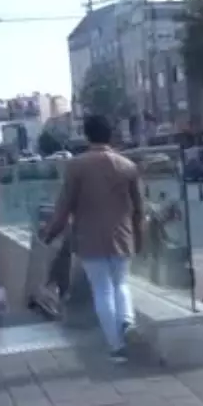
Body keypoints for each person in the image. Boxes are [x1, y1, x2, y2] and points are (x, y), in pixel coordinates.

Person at [42, 115, 144, 363]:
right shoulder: (127, 165)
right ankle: (127, 320)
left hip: (89, 238)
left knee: (102, 288)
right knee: (121, 283)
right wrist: (139, 238)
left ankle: (117, 347)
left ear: (87, 136)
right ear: (111, 135)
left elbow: (64, 206)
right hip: (122, 235)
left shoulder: (76, 166)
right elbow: (139, 208)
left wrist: (50, 232)